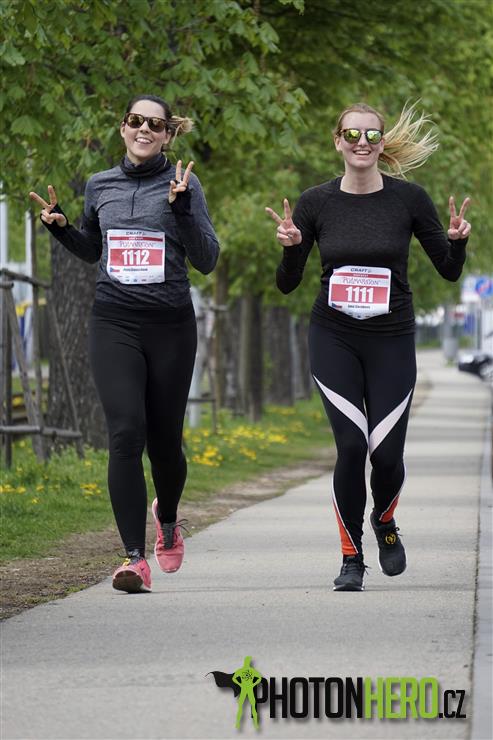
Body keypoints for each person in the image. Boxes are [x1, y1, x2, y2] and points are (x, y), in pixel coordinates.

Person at [266, 102, 471, 592]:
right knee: (352, 445)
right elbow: (288, 284)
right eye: (353, 134)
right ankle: (351, 557)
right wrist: (291, 249)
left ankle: (384, 519)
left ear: (382, 143)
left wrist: (458, 241)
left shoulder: (409, 199)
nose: (362, 142)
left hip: (391, 338)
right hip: (333, 336)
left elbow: (448, 270)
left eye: (372, 135)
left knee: (387, 455)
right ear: (337, 140)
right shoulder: (315, 202)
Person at [30, 94, 220, 593]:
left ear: (168, 135)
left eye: (155, 124)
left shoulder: (184, 183)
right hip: (114, 321)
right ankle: (135, 558)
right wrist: (62, 229)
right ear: (123, 128)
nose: (144, 130)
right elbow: (94, 248)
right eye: (136, 121)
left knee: (165, 445)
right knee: (125, 433)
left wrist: (182, 210)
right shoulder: (100, 185)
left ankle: (169, 518)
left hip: (171, 325)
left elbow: (207, 259)